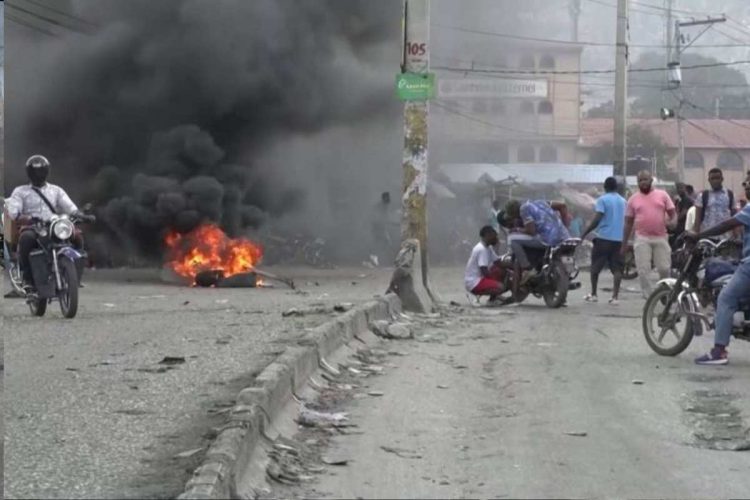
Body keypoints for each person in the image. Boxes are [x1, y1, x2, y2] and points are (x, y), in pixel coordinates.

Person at [688, 171, 750, 365]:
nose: (746, 184)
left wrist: (697, 235)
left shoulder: (747, 207)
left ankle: (719, 351)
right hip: (730, 246)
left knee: (726, 297)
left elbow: (728, 224)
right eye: (746, 180)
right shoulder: (704, 196)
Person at [6, 155, 83, 289]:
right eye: (35, 171)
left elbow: (69, 206)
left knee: (77, 238)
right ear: (29, 173)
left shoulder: (56, 190)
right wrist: (26, 217)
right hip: (32, 226)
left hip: (53, 226)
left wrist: (79, 214)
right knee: (26, 240)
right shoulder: (20, 191)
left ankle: (76, 276)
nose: (38, 174)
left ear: (47, 171)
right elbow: (13, 211)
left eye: (41, 171)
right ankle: (28, 279)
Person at [621, 170, 676, 299]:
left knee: (664, 268)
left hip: (661, 237)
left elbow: (673, 214)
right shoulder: (633, 199)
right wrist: (623, 244)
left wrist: (673, 222)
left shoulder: (662, 195)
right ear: (637, 183)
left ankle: (664, 293)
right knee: (643, 270)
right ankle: (649, 297)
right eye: (640, 180)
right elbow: (628, 223)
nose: (643, 182)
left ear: (651, 181)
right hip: (642, 238)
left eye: (645, 179)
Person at [581, 177, 627, 305]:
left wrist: (585, 232)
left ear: (605, 187)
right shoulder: (623, 201)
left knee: (595, 266)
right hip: (619, 239)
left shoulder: (602, 200)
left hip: (604, 238)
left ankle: (594, 294)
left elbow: (597, 219)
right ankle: (615, 297)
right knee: (617, 269)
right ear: (616, 187)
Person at [504, 198, 571, 285]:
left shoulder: (523, 210)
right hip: (564, 236)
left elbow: (531, 231)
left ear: (514, 212)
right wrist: (564, 226)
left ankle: (527, 269)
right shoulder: (540, 202)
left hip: (547, 239)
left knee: (512, 238)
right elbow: (562, 205)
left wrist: (516, 229)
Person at [464, 225, 506, 303]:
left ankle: (493, 298)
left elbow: (498, 262)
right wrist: (497, 283)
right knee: (501, 287)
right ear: (488, 235)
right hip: (474, 282)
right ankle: (478, 295)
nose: (496, 238)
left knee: (500, 271)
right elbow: (484, 271)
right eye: (495, 235)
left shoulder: (488, 247)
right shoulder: (481, 249)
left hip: (479, 278)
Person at [692, 168, 736, 240]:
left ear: (722, 179)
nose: (715, 181)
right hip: (707, 238)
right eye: (712, 178)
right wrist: (695, 237)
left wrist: (737, 237)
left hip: (726, 239)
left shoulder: (730, 195)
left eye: (717, 178)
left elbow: (734, 218)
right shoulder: (702, 196)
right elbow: (697, 220)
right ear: (709, 180)